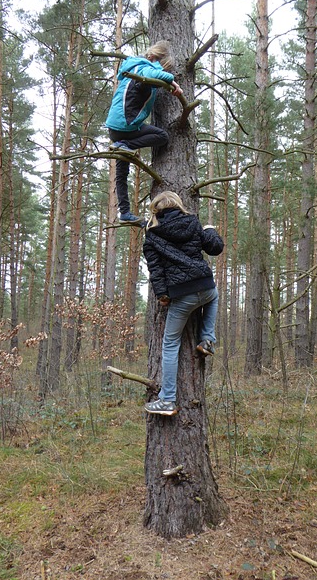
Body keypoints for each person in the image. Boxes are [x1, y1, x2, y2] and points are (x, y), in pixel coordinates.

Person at [142, 191, 224, 416]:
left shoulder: (152, 235)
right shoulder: (193, 223)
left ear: (156, 211)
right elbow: (215, 248)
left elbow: (156, 270)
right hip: (206, 286)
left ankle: (167, 400)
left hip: (183, 295)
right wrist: (209, 229)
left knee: (169, 344)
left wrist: (162, 295)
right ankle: (207, 339)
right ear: (178, 205)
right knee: (214, 295)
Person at [105, 41, 183, 223]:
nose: (164, 69)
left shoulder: (133, 66)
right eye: (164, 66)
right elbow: (153, 74)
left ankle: (124, 213)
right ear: (156, 58)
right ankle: (124, 145)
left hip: (116, 128)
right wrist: (172, 82)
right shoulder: (143, 67)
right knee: (162, 136)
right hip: (126, 125)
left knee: (122, 171)